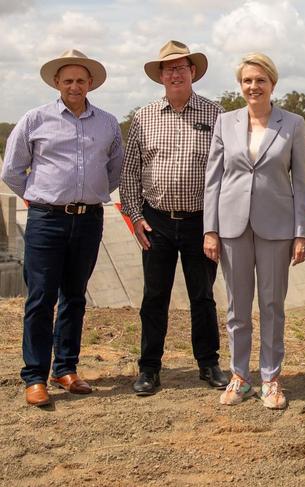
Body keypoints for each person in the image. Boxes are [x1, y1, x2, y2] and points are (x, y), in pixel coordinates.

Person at [1, 49, 123, 406]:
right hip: (46, 220)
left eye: (80, 80)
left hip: (89, 219)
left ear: (90, 84)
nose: (74, 85)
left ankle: (65, 368)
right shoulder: (35, 120)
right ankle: (35, 375)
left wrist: (92, 193)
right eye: (67, 80)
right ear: (57, 83)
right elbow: (11, 170)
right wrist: (41, 198)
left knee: (74, 296)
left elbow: (114, 169)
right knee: (40, 298)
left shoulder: (107, 123)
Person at [120, 40, 228, 396]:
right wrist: (135, 217)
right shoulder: (144, 116)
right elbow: (130, 172)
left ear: (193, 72)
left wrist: (216, 225)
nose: (176, 73)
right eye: (169, 69)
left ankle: (208, 363)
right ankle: (149, 368)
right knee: (154, 297)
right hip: (157, 222)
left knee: (203, 296)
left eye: (182, 67)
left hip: (201, 222)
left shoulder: (216, 115)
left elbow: (227, 171)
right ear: (160, 76)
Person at [203, 52, 305, 410]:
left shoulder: (292, 123)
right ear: (241, 85)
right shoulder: (225, 123)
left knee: (272, 305)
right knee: (237, 307)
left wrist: (301, 233)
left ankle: (271, 378)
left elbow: (301, 182)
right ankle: (239, 376)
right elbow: (214, 179)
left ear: (272, 84)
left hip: (277, 229)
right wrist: (211, 230)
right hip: (232, 227)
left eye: (260, 80)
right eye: (247, 80)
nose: (253, 86)